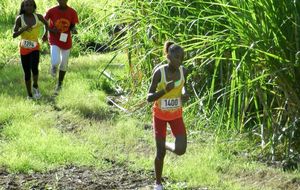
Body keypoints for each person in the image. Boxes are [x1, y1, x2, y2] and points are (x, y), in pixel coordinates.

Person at [147, 41, 189, 190]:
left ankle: (164, 144)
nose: (179, 61)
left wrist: (185, 94)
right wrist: (164, 91)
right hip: (160, 116)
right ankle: (158, 184)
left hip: (176, 115)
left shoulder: (183, 71)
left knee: (181, 149)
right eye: (176, 57)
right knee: (160, 154)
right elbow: (149, 97)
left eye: (181, 58)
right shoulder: (160, 72)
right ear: (168, 56)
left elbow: (183, 87)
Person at [12, 0, 50, 99]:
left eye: (31, 5)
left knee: (34, 67)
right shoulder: (20, 19)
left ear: (34, 7)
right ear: (23, 7)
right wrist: (23, 29)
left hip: (35, 47)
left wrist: (45, 34)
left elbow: (47, 24)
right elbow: (14, 35)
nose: (29, 7)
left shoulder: (39, 17)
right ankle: (29, 94)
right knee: (27, 72)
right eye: (26, 5)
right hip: (24, 48)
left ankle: (35, 86)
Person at [43, 0, 79, 95]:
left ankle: (59, 84)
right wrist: (47, 32)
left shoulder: (72, 12)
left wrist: (74, 30)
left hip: (66, 40)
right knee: (56, 61)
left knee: (64, 64)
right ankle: (54, 67)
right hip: (54, 39)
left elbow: (72, 26)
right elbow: (44, 22)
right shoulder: (51, 10)